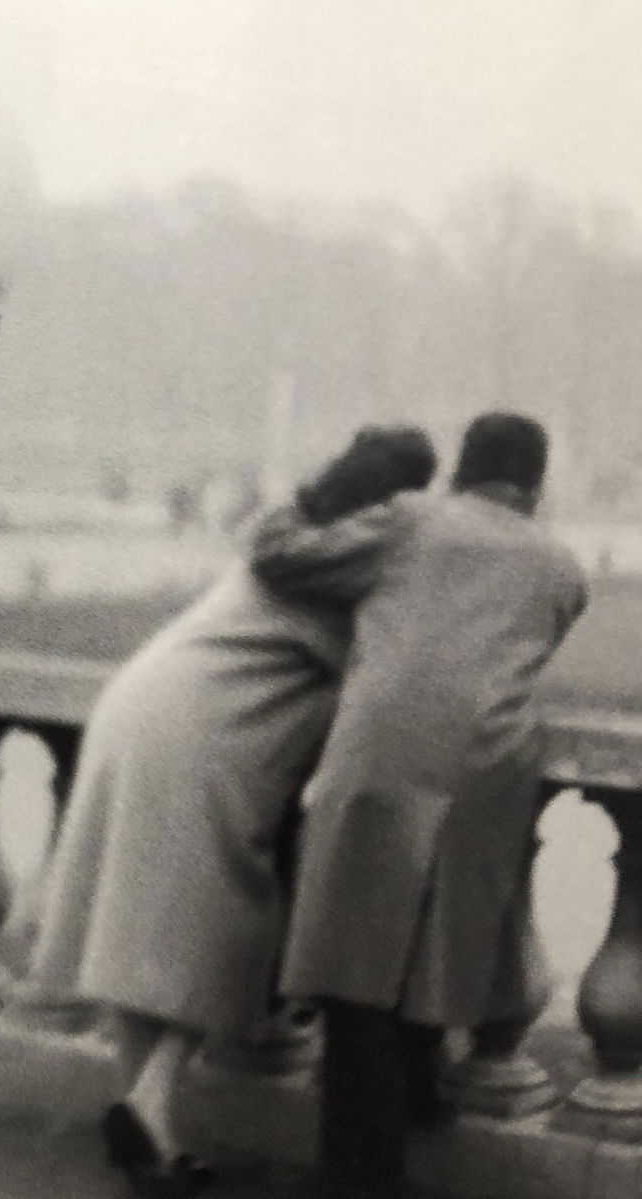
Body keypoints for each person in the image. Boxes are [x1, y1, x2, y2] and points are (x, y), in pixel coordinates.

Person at [29, 426, 438, 1198]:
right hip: (207, 735)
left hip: (141, 700)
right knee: (228, 929)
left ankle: (154, 1139)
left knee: (137, 926)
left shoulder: (294, 537)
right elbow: (378, 686)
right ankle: (149, 1105)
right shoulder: (345, 572)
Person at [249, 412, 588, 1199]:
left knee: (351, 968)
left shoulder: (410, 520)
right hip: (487, 775)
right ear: (534, 485)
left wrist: (312, 494)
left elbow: (277, 553)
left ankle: (357, 1173)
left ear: (461, 472)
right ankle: (417, 1105)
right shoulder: (563, 569)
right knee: (437, 957)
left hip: (381, 759)